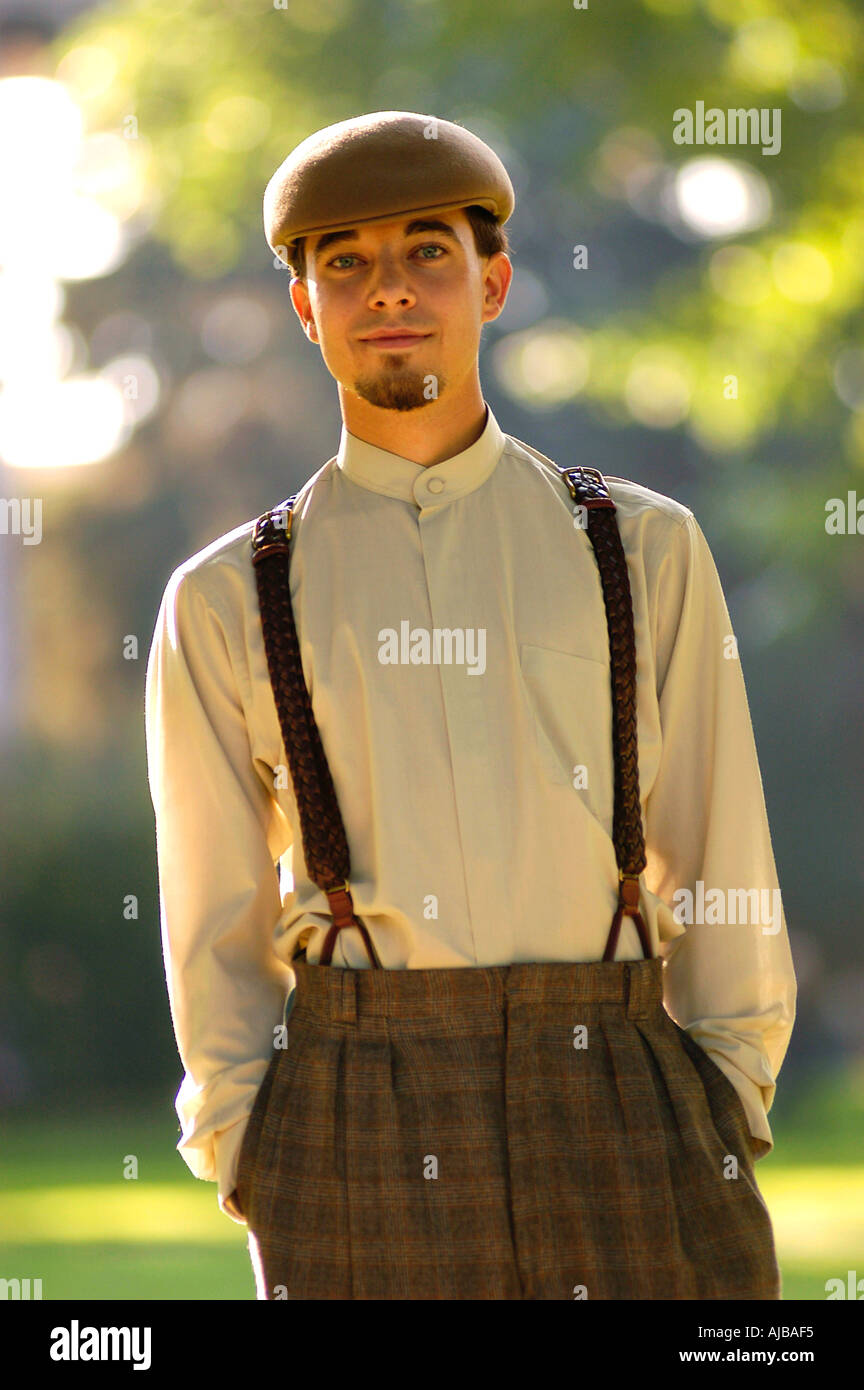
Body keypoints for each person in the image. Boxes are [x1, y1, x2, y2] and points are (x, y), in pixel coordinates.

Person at [144, 110, 796, 1300]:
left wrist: (725, 1091)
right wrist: (251, 1150)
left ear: (491, 281)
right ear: (306, 307)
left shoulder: (642, 546)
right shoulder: (226, 597)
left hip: (628, 1090)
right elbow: (211, 917)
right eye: (344, 262)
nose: (387, 289)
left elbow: (717, 839)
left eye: (425, 252)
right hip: (351, 1120)